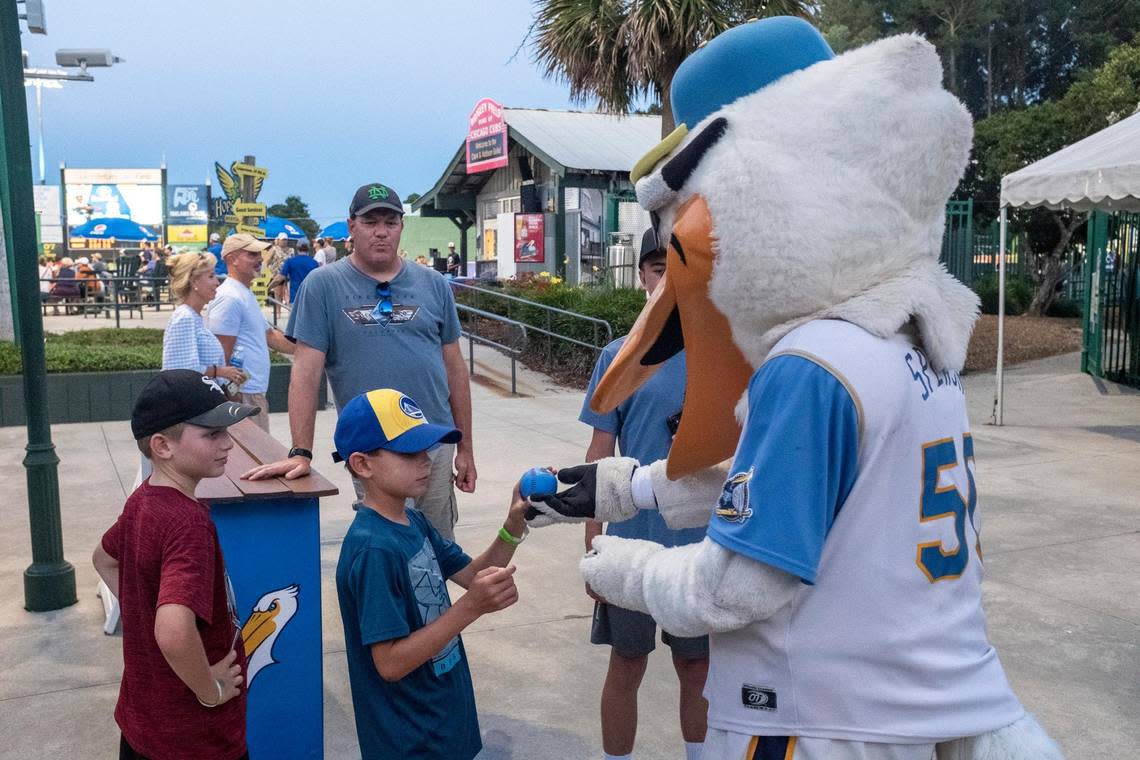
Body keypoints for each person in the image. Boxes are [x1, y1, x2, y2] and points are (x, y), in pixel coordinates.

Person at [244, 183, 476, 541]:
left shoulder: (433, 284)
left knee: (438, 551)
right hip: (372, 451)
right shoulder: (323, 286)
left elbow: (454, 369)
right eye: (370, 222)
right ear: (351, 227)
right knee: (386, 549)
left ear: (401, 227)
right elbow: (305, 375)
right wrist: (300, 452)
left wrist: (466, 449)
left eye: (390, 221)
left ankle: (437, 601)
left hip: (434, 444)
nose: (381, 231)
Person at [332, 387, 526, 760]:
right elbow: (389, 664)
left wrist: (513, 524)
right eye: (409, 452)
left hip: (442, 716)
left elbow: (473, 576)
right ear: (362, 464)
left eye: (426, 449)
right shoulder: (374, 549)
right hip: (409, 737)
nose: (426, 461)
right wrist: (470, 608)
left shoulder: (413, 520)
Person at [580, 228, 708, 760]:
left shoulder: (721, 359)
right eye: (656, 269)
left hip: (702, 546)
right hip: (631, 544)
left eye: (676, 269)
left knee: (697, 667)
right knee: (627, 664)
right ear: (641, 278)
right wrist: (593, 547)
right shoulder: (620, 356)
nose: (666, 280)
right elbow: (598, 456)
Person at [92, 369, 260, 760]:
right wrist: (210, 689)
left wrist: (142, 617)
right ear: (162, 446)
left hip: (143, 722)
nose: (227, 444)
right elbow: (172, 632)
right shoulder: (188, 523)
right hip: (195, 738)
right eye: (211, 434)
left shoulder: (143, 501)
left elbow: (104, 559)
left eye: (226, 431)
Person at [206, 233, 295, 432]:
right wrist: (232, 395)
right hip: (242, 395)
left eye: (259, 254)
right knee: (253, 460)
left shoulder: (244, 293)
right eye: (251, 254)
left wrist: (312, 349)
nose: (258, 260)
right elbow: (221, 354)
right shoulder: (229, 297)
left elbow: (270, 335)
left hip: (252, 392)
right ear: (231, 259)